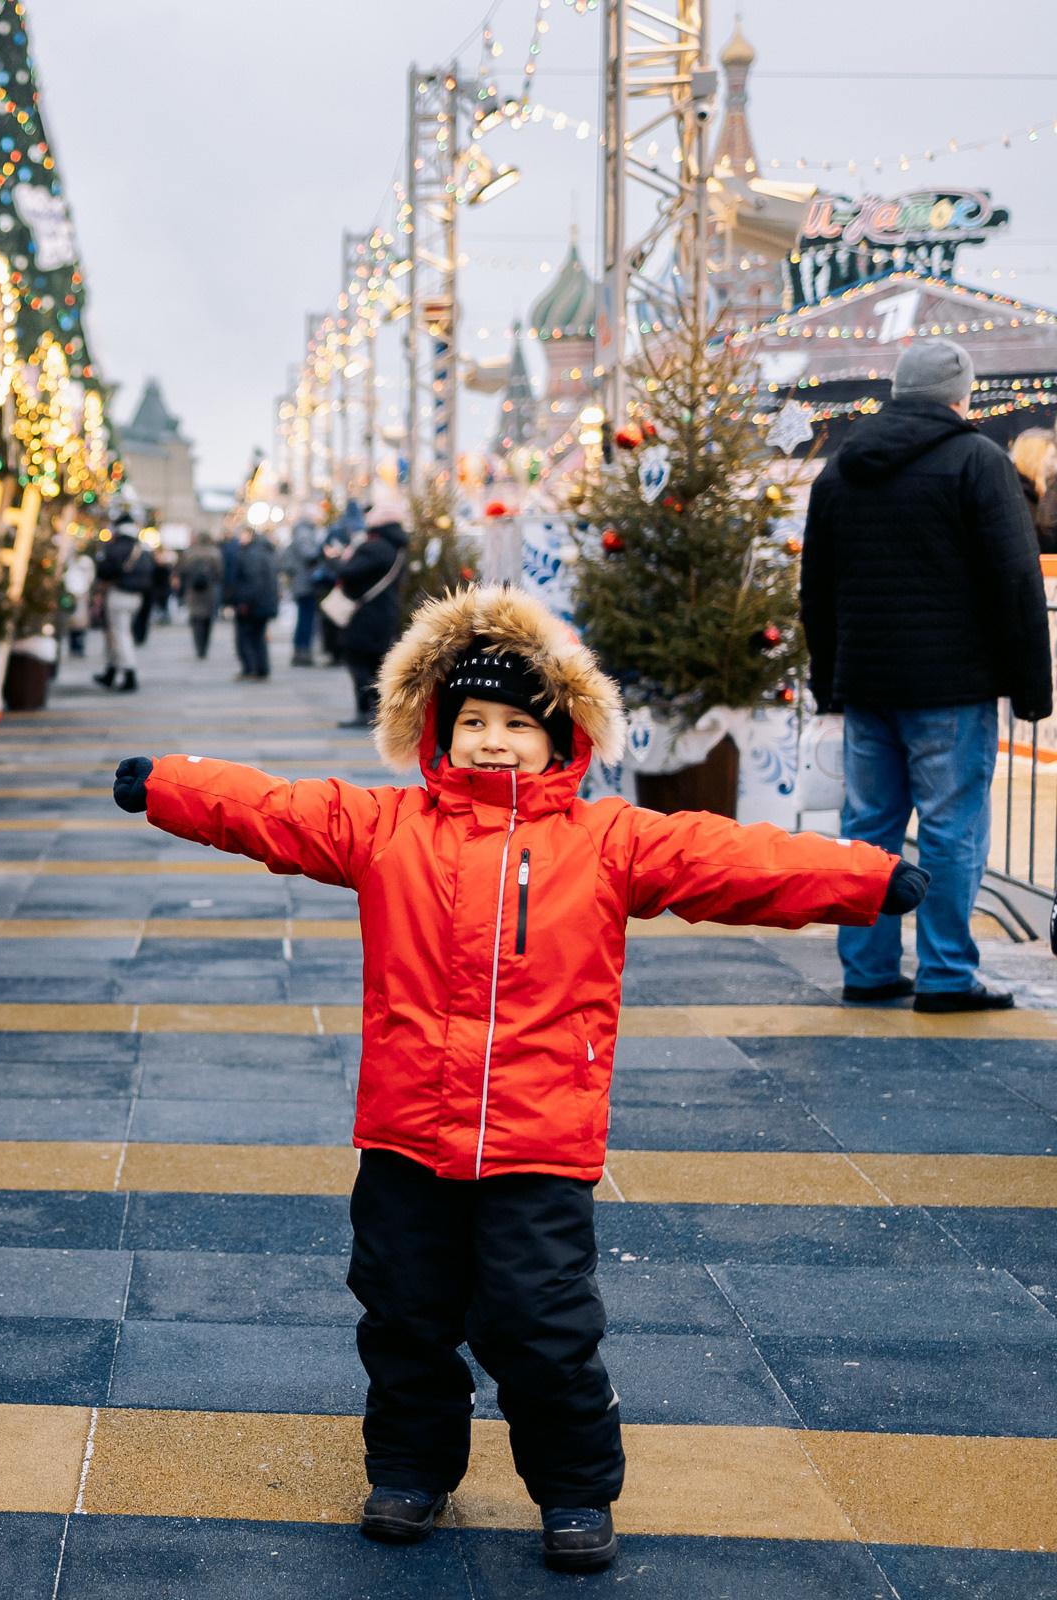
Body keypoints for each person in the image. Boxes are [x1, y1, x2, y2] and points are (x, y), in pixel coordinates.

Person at [110, 586, 918, 1575]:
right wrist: (167, 783)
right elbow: (273, 809)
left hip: (539, 1141)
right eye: (475, 723)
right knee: (404, 1314)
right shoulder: (387, 828)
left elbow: (737, 861)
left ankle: (575, 1487)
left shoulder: (608, 840)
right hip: (407, 1133)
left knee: (542, 1325)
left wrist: (867, 880)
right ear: (441, 732)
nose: (496, 742)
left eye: (518, 725)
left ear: (560, 735)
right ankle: (410, 1467)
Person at [801, 338, 1052, 1012]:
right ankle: (946, 974)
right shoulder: (980, 462)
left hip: (867, 683)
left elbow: (815, 589)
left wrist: (830, 679)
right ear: (961, 393)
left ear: (896, 390)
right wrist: (1034, 687)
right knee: (951, 829)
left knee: (868, 827)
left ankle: (868, 967)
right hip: (953, 687)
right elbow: (1016, 582)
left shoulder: (840, 469)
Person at [332, 491, 410, 728]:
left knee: (359, 661)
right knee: (377, 663)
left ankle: (366, 711)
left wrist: (334, 559)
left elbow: (349, 572)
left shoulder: (375, 547)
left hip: (365, 614)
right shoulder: (397, 547)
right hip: (386, 612)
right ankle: (378, 711)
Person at [222, 522, 279, 680]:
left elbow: (253, 582)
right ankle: (261, 668)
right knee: (258, 636)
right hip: (262, 603)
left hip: (252, 604)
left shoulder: (252, 554)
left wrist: (244, 602)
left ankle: (251, 668)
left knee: (246, 637)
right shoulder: (264, 552)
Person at [92, 522, 141, 692]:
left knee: (119, 634)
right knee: (118, 633)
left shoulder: (116, 547)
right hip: (135, 596)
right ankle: (112, 670)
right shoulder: (139, 547)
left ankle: (128, 672)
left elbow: (105, 568)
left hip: (118, 593)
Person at [287, 508, 326, 667]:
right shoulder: (304, 532)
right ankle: (302, 652)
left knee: (306, 618)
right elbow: (308, 553)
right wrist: (323, 549)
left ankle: (302, 651)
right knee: (306, 618)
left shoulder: (302, 531)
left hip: (303, 582)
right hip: (305, 583)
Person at [1008, 427, 1057, 554]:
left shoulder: (1024, 489)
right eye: (1052, 457)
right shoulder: (1020, 495)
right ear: (1034, 458)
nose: (1054, 464)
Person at [179, 531, 225, 660]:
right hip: (210, 590)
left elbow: (182, 571)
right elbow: (220, 573)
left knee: (196, 618)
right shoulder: (215, 553)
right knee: (207, 619)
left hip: (193, 591)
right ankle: (204, 647)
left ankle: (199, 647)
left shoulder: (190, 553)